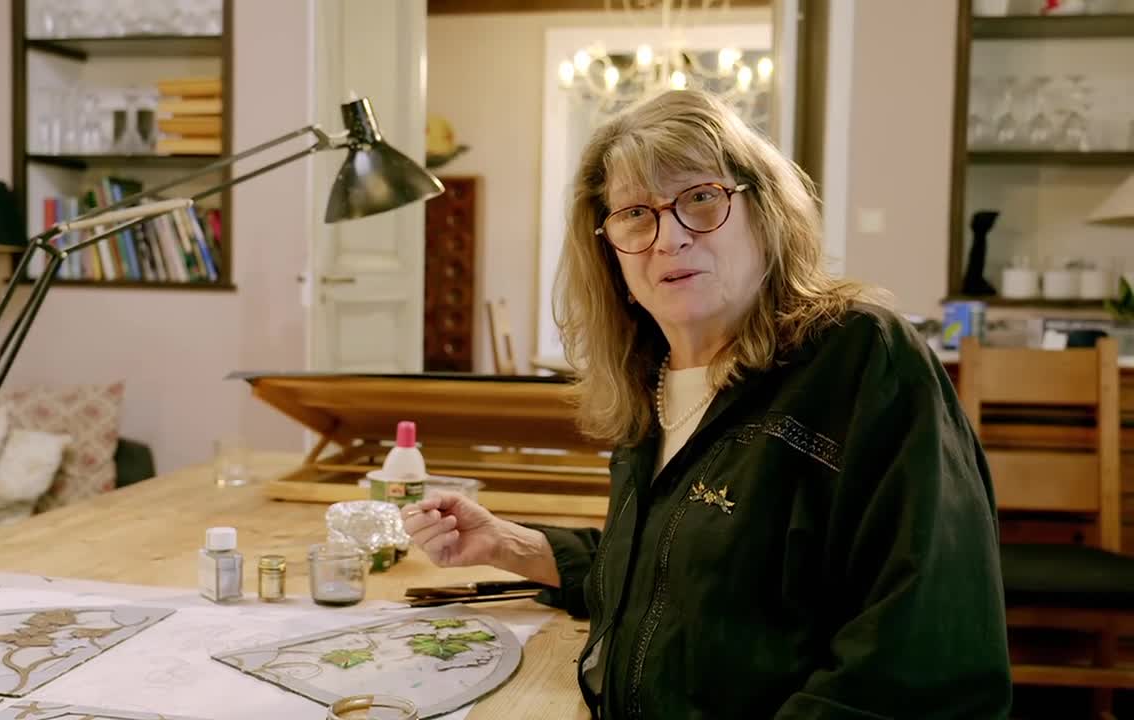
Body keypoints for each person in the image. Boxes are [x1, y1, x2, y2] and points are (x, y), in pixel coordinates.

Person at [402, 89, 1012, 719]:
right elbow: (679, 571)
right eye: (635, 213)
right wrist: (507, 543)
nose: (668, 238)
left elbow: (924, 659)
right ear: (609, 251)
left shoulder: (862, 357)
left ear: (764, 213)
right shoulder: (651, 383)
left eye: (700, 198)